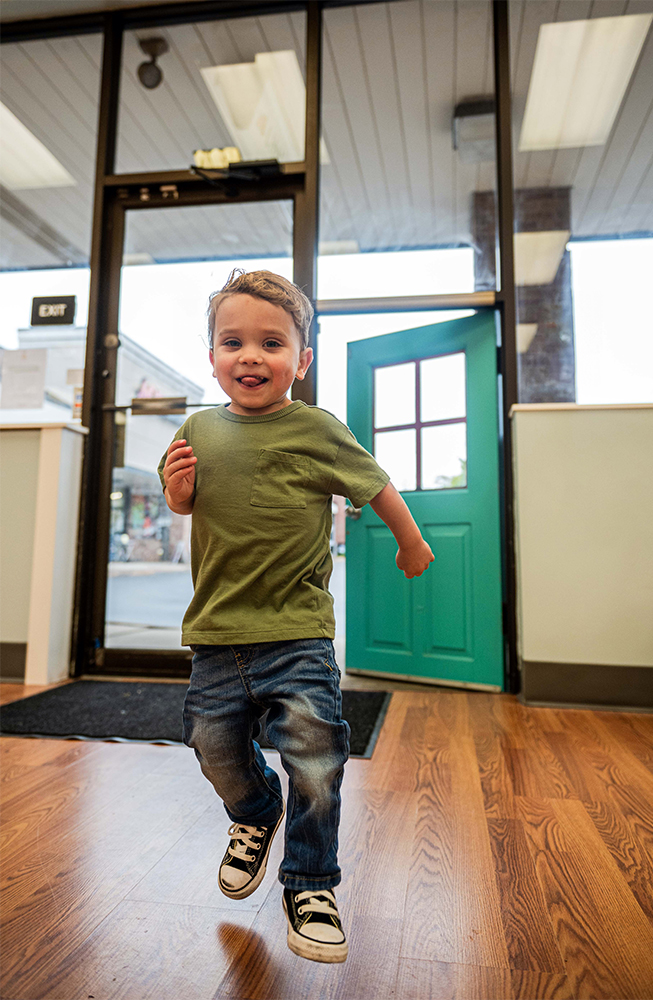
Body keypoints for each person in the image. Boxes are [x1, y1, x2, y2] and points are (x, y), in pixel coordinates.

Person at [158, 269, 434, 964]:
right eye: (233, 342)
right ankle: (255, 812)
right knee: (212, 745)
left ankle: (310, 884)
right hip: (218, 632)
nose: (250, 356)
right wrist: (178, 492)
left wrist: (410, 541)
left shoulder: (316, 430)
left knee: (314, 759)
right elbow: (182, 501)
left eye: (271, 343)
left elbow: (376, 485)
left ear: (301, 360)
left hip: (298, 631)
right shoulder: (196, 427)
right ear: (212, 357)